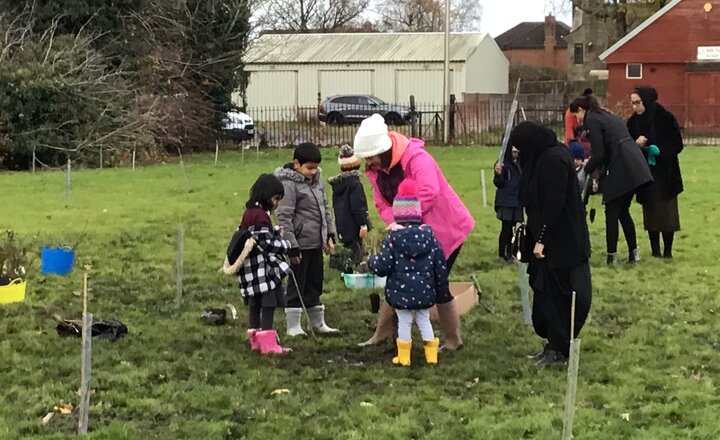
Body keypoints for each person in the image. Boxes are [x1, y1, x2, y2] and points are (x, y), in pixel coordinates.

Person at [352, 113, 474, 351]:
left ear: (384, 150)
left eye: (370, 157)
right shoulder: (377, 171)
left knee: (437, 284)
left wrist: (403, 223)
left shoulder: (417, 158)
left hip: (443, 230)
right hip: (407, 232)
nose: (369, 163)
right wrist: (396, 225)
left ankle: (452, 339)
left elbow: (430, 191)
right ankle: (383, 333)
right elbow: (381, 203)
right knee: (397, 278)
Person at [509, 121, 592, 368]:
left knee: (559, 294)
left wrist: (542, 240)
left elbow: (554, 203)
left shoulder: (554, 160)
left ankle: (559, 347)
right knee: (546, 293)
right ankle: (552, 344)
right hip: (544, 238)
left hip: (561, 242)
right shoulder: (539, 158)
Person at [368, 180, 446, 366]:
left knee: (404, 321)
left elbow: (383, 265)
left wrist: (372, 262)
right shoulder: (430, 238)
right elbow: (440, 265)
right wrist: (439, 287)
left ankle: (404, 357)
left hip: (400, 292)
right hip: (425, 290)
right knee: (424, 320)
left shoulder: (393, 239)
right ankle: (431, 356)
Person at [571, 95, 653, 264]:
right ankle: (633, 253)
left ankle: (611, 256)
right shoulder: (606, 115)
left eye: (576, 115)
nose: (577, 120)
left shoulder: (592, 119)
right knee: (623, 211)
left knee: (612, 211)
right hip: (634, 164)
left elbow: (599, 152)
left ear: (581, 110)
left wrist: (585, 171)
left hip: (621, 167)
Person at [220, 174, 293, 355]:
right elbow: (266, 243)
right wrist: (286, 245)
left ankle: (255, 340)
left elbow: (255, 235)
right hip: (262, 271)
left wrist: (272, 230)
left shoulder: (249, 213)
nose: (277, 203)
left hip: (249, 270)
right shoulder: (261, 216)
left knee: (254, 304)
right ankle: (268, 344)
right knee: (268, 304)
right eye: (276, 199)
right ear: (266, 196)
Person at [275, 143, 339, 336]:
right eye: (309, 168)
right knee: (297, 283)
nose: (313, 172)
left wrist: (329, 234)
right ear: (296, 164)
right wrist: (292, 247)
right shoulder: (288, 184)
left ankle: (317, 322)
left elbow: (324, 209)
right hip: (299, 245)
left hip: (316, 243)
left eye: (315, 167)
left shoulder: (317, 181)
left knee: (314, 282)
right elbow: (284, 217)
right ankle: (293, 325)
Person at [627, 87, 684, 259]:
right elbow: (627, 145)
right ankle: (655, 250)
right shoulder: (633, 122)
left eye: (638, 102)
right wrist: (636, 145)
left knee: (667, 212)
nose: (635, 107)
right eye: (633, 103)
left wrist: (661, 151)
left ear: (646, 101)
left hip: (665, 172)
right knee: (650, 210)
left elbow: (677, 144)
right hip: (646, 173)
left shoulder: (664, 118)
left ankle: (667, 250)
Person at [328, 144, 371, 266]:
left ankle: (340, 266)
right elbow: (358, 207)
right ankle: (352, 270)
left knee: (347, 250)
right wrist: (363, 224)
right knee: (356, 251)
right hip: (354, 225)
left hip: (342, 224)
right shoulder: (355, 184)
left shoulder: (338, 185)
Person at [493, 146, 522, 262]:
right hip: (506, 201)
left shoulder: (522, 163)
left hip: (517, 200)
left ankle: (511, 252)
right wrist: (498, 174)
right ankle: (503, 253)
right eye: (513, 152)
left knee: (513, 228)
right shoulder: (502, 163)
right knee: (506, 228)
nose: (515, 154)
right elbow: (498, 183)